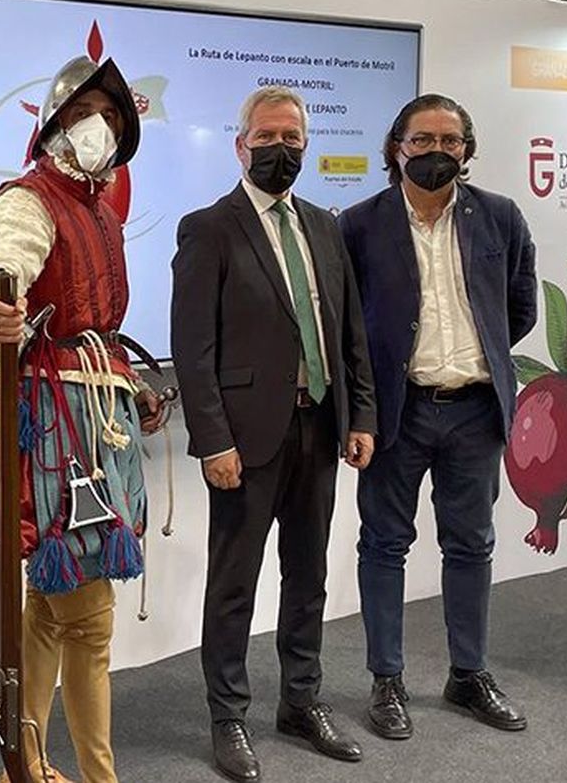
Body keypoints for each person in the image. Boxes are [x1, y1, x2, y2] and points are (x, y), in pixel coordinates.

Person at [0, 55, 163, 783]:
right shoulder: (26, 200)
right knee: (89, 622)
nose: (100, 127)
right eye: (86, 112)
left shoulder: (101, 211)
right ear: (54, 123)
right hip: (51, 430)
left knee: (51, 612)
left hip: (94, 420)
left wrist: (130, 384)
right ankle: (95, 776)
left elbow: (95, 330)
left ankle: (30, 764)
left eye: (112, 116)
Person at [171, 86, 375, 781]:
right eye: (267, 138)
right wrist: (213, 440)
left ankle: (301, 700)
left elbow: (348, 332)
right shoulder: (209, 228)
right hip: (245, 439)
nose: (280, 149)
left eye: (292, 138)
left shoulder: (325, 225)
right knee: (235, 581)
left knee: (309, 574)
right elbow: (193, 348)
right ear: (240, 145)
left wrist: (362, 416)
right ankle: (228, 714)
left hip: (319, 426)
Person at [338, 94, 537, 742]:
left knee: (472, 544)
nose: (435, 152)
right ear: (396, 147)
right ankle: (386, 680)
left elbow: (518, 308)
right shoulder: (360, 224)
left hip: (477, 410)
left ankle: (468, 673)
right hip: (400, 411)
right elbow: (349, 328)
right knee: (385, 545)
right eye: (421, 141)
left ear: (467, 150)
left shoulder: (501, 218)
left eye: (449, 141)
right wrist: (360, 411)